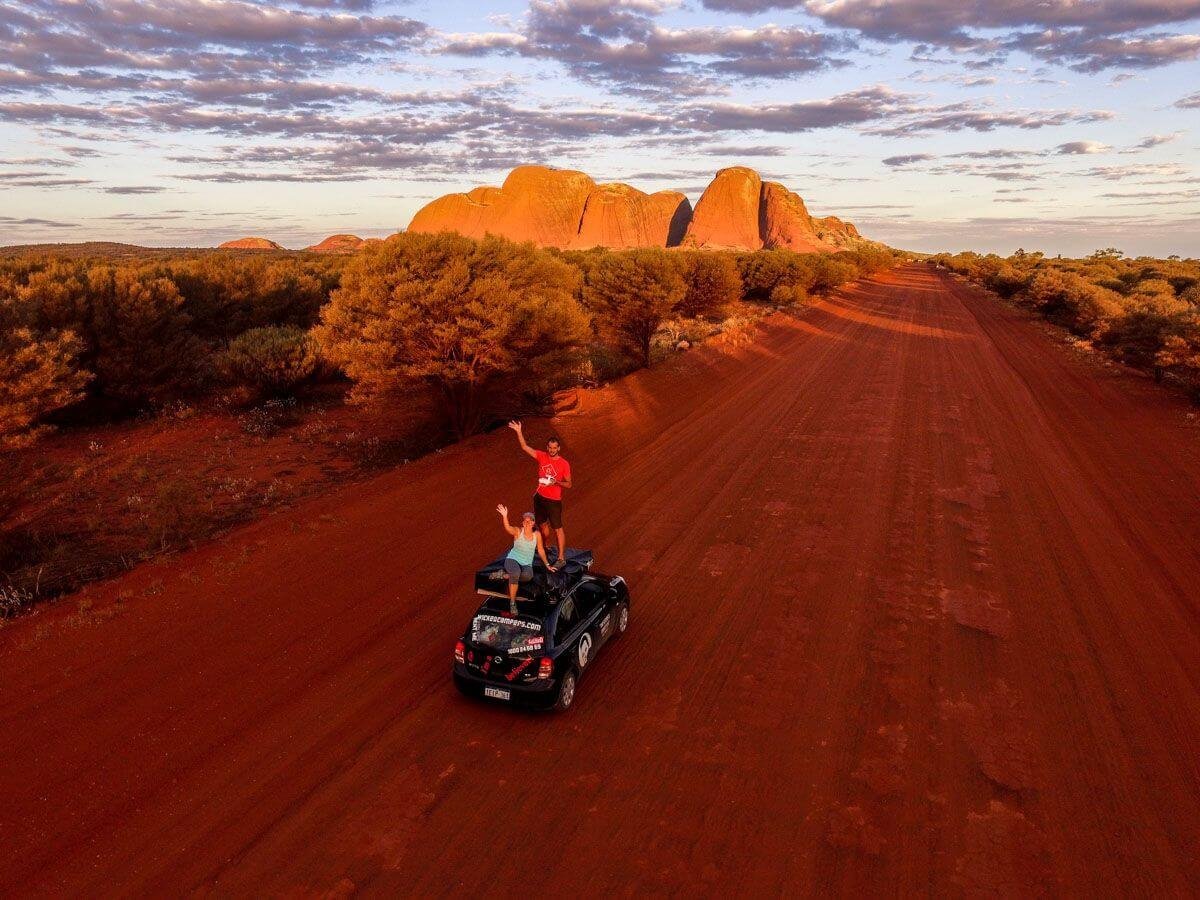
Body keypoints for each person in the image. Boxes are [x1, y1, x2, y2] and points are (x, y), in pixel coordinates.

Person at [508, 420, 571, 564]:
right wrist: (519, 431)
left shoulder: (564, 464)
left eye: (554, 448)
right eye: (550, 447)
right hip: (540, 497)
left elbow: (569, 484)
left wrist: (556, 482)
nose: (552, 450)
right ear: (547, 447)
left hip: (554, 500)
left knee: (558, 528)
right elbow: (524, 447)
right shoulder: (542, 456)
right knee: (542, 525)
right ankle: (545, 546)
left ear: (558, 448)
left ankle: (561, 558)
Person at [496, 504, 556, 613]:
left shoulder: (537, 535)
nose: (526, 522)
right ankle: (512, 603)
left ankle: (503, 575)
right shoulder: (518, 531)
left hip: (526, 563)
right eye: (524, 521)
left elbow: (541, 550)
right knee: (515, 573)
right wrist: (505, 516)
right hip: (512, 560)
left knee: (528, 576)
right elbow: (508, 528)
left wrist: (547, 565)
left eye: (528, 521)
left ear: (533, 523)